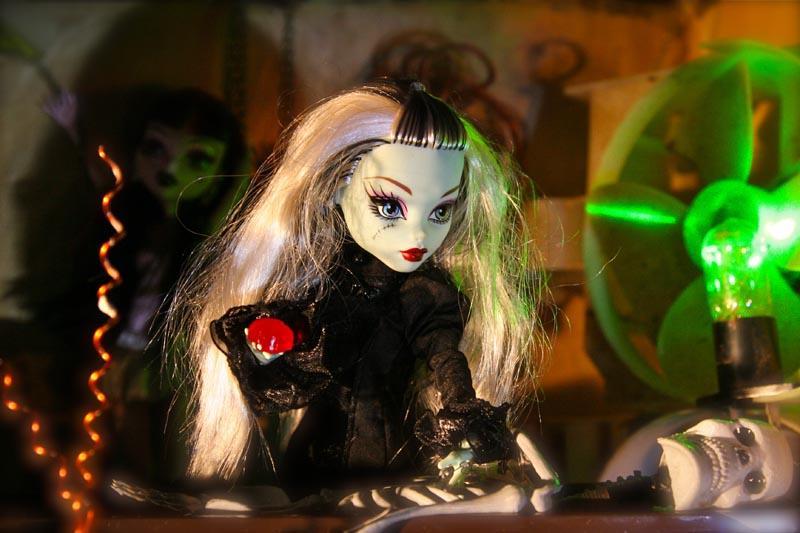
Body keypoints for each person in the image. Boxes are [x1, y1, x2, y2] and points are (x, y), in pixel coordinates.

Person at [168, 80, 544, 497]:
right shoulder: (326, 284)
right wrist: (273, 342)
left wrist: (463, 421)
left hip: (396, 462)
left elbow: (447, 360)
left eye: (440, 211)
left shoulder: (427, 296)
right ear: (337, 188)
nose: (418, 233)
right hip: (314, 465)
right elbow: (286, 370)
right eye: (390, 206)